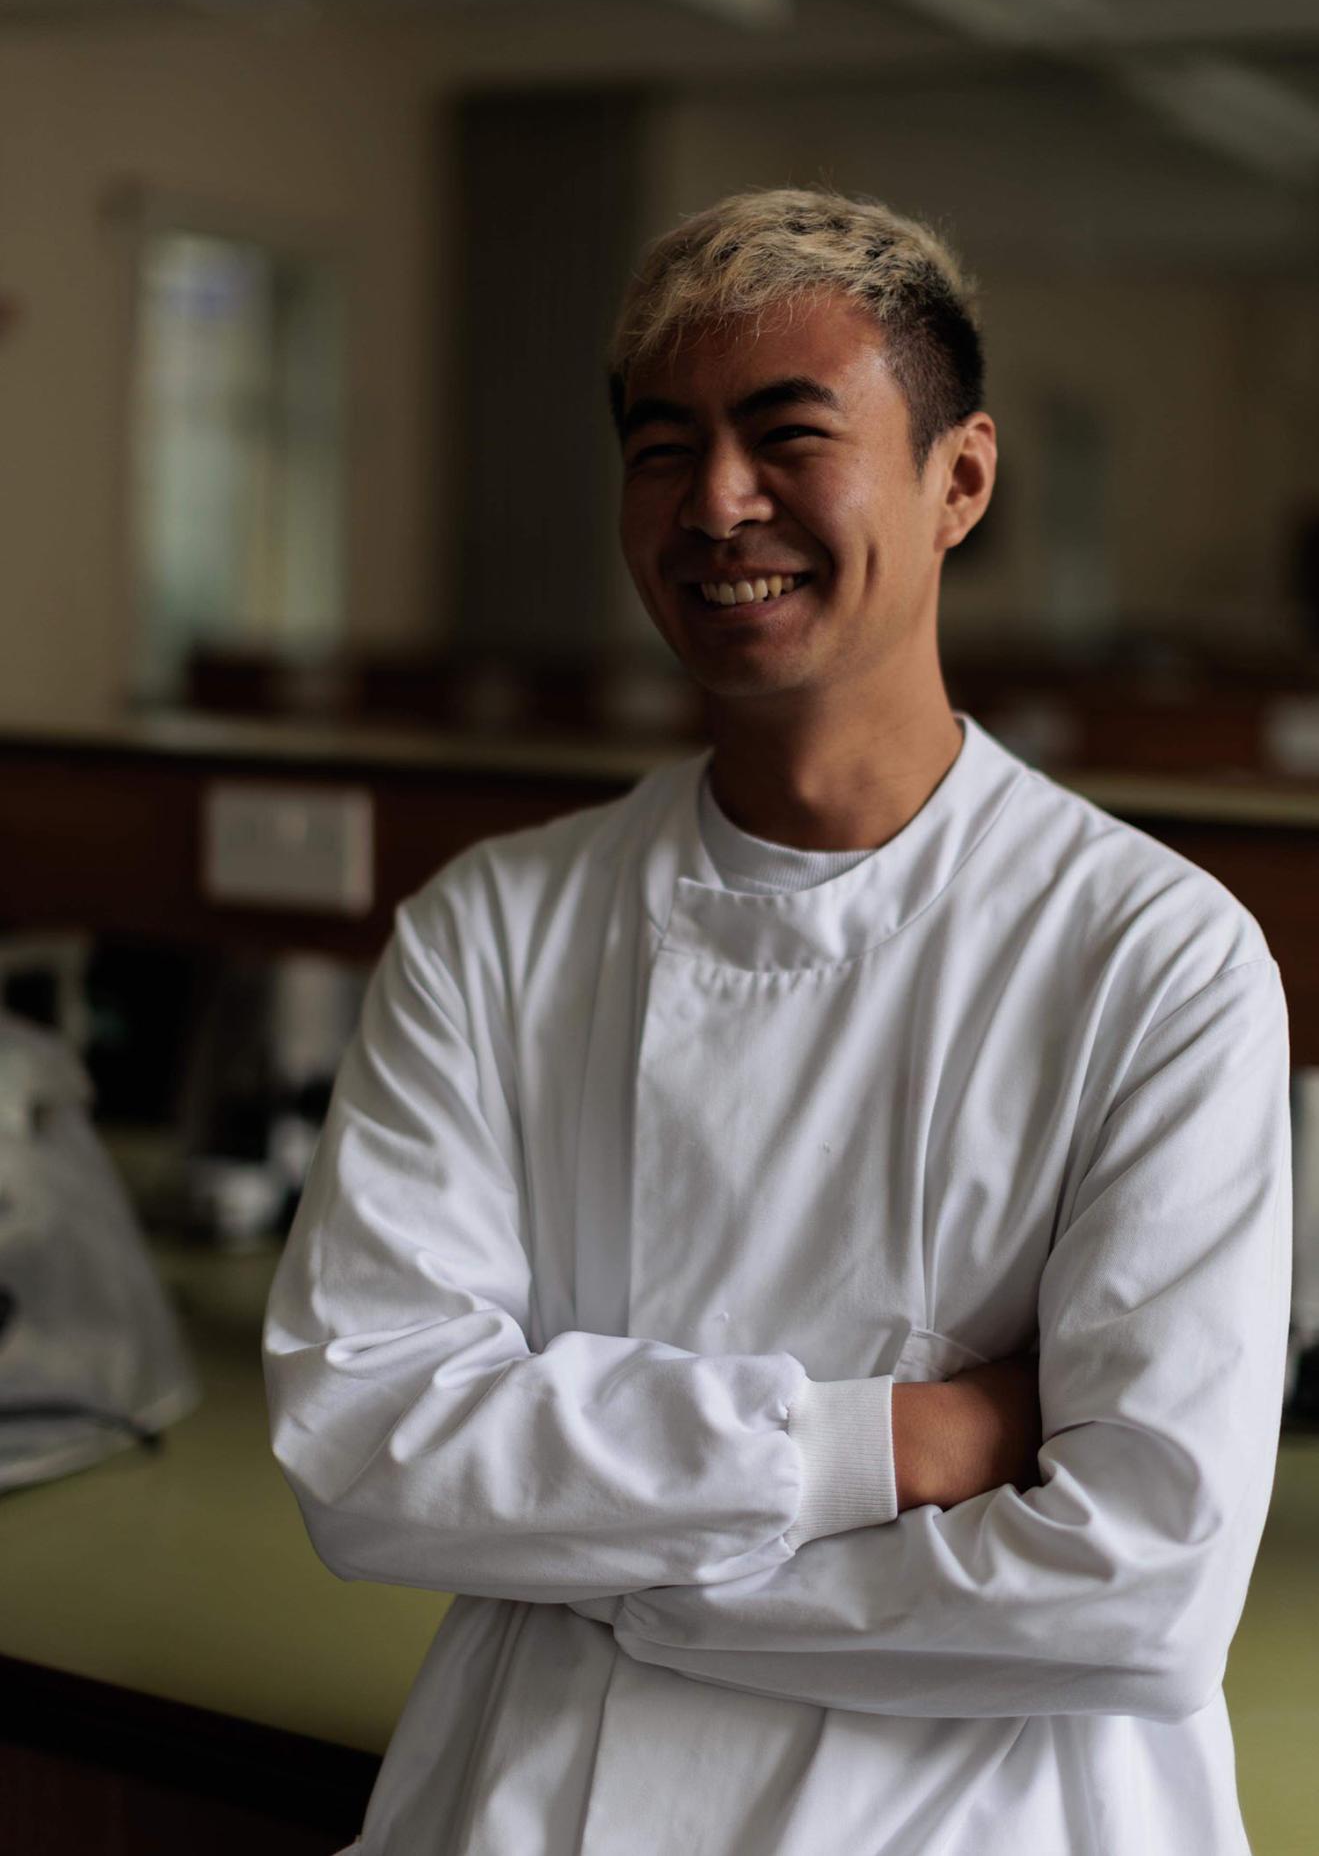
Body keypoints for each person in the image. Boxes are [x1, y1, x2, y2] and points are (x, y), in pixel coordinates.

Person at [263, 187, 1292, 1855]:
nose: (717, 500)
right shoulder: (497, 931)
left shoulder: (1151, 959)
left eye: (786, 433)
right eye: (663, 447)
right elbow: (365, 1445)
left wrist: (634, 1583)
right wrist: (905, 1439)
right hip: (546, 1798)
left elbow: (1140, 1587)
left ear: (960, 478)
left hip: (988, 1816)